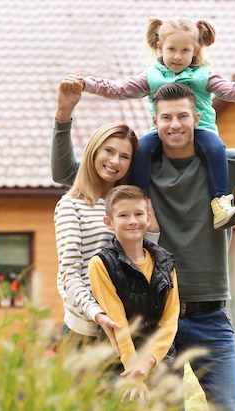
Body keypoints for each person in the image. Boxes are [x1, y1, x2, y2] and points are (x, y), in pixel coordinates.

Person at [51, 75, 235, 410]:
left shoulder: (225, 164)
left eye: (183, 116)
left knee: (230, 406)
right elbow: (67, 173)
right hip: (154, 316)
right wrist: (63, 117)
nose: (175, 125)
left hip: (210, 315)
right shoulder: (139, 170)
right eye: (167, 117)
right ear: (154, 121)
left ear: (197, 119)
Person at [75, 16, 235, 230]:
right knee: (142, 149)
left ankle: (220, 203)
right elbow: (118, 89)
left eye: (185, 51)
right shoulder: (151, 76)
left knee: (216, 148)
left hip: (200, 130)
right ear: (159, 47)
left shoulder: (203, 75)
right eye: (172, 49)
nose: (178, 57)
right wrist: (87, 83)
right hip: (162, 133)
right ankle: (139, 202)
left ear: (195, 50)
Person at [53, 75, 140, 353]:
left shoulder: (127, 207)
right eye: (109, 151)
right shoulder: (71, 205)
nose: (115, 161)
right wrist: (97, 315)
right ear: (94, 151)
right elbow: (70, 273)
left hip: (126, 328)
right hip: (86, 334)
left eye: (124, 157)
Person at [88, 184, 179, 401]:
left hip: (162, 365)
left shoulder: (165, 263)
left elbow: (170, 320)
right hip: (121, 369)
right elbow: (116, 321)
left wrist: (148, 362)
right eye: (123, 215)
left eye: (139, 214)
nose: (132, 221)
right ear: (109, 223)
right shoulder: (100, 264)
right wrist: (134, 371)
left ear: (148, 219)